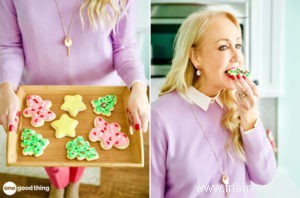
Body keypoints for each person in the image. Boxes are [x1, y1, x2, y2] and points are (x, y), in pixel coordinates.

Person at [0, 0, 149, 198]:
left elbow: (124, 48)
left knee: (83, 150)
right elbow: (10, 46)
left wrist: (138, 87)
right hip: (42, 98)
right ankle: (58, 183)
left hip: (98, 98)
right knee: (50, 154)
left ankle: (74, 182)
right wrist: (5, 88)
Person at [151, 10, 276, 198]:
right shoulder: (160, 115)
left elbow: (265, 176)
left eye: (238, 45)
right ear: (196, 57)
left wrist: (250, 118)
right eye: (224, 47)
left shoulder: (240, 105)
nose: (237, 56)